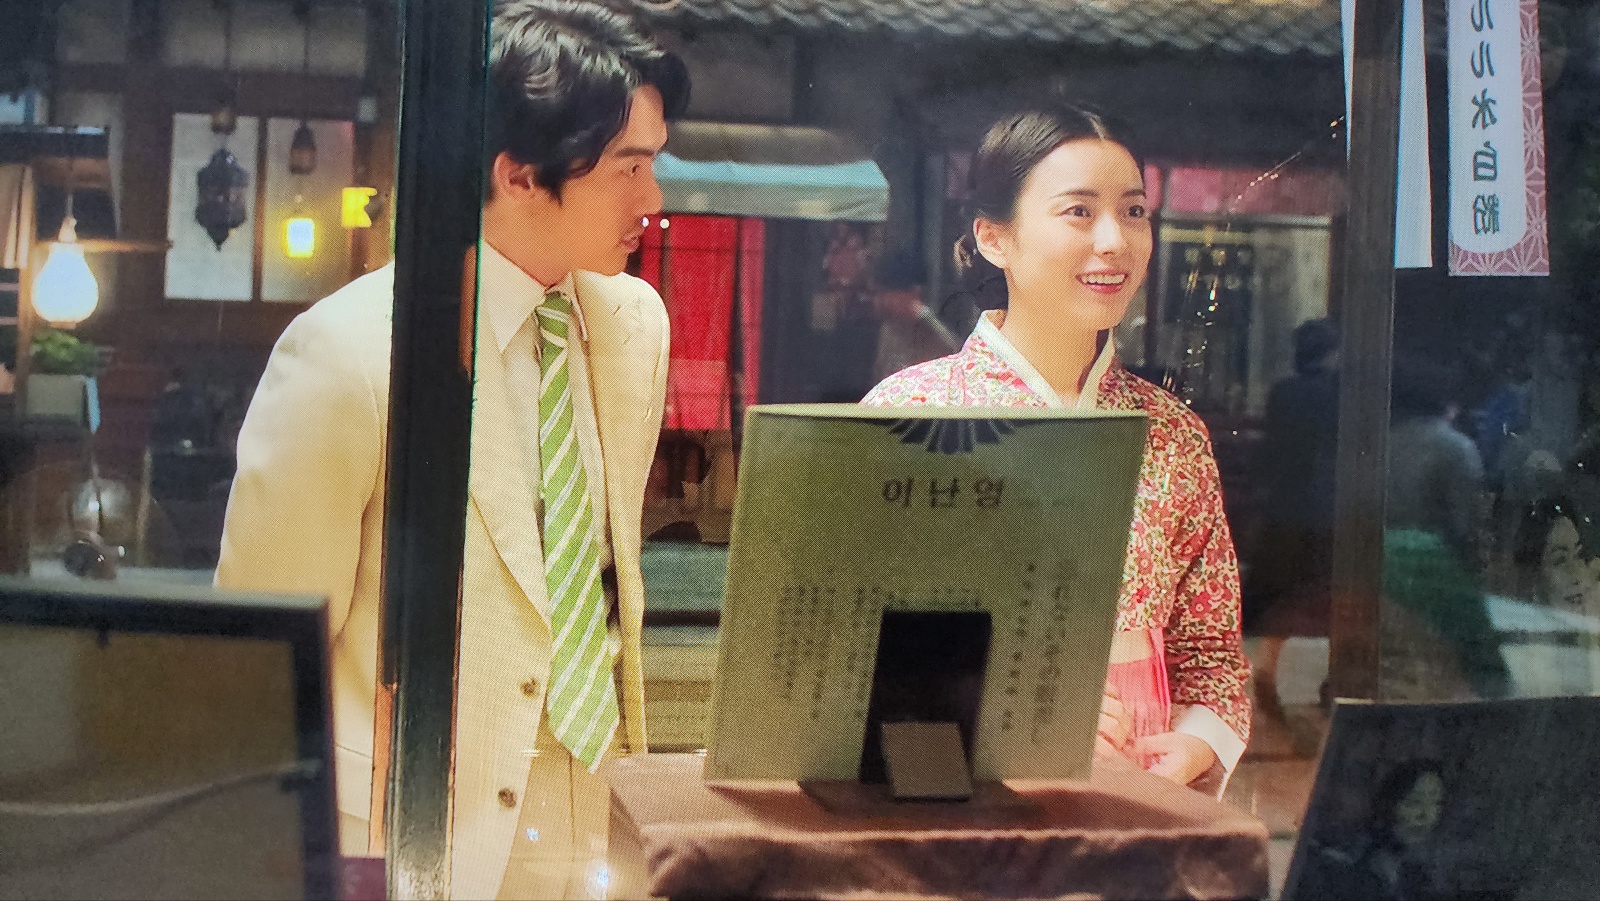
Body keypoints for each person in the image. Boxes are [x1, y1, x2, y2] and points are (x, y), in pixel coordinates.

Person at [214, 2, 687, 897]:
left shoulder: (633, 327)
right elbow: (259, 669)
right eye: (629, 166)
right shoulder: (351, 352)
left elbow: (600, 572)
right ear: (519, 173)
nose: (653, 200)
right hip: (414, 831)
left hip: (596, 818)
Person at [863, 106, 1250, 791]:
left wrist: (1194, 747)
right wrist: (1012, 712)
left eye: (1134, 212)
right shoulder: (911, 414)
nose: (1115, 241)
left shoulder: (1173, 434)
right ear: (994, 237)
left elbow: (1210, 654)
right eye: (1079, 212)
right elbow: (855, 643)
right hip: (965, 788)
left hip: (1138, 784)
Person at [1246, 318, 1340, 716]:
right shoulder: (1337, 395)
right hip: (1325, 507)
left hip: (1285, 506)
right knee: (1330, 594)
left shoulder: (1283, 392)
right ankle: (1335, 679)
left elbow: (1272, 452)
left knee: (1281, 596)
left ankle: (1267, 671)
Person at [1295, 759, 1450, 900]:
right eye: (1414, 801)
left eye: (1437, 803)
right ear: (1388, 805)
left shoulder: (1417, 877)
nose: (1426, 815)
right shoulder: (1344, 859)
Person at [870, 249, 962, 384]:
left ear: (913, 293)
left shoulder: (938, 335)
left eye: (888, 294)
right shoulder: (888, 330)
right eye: (879, 294)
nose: (881, 301)